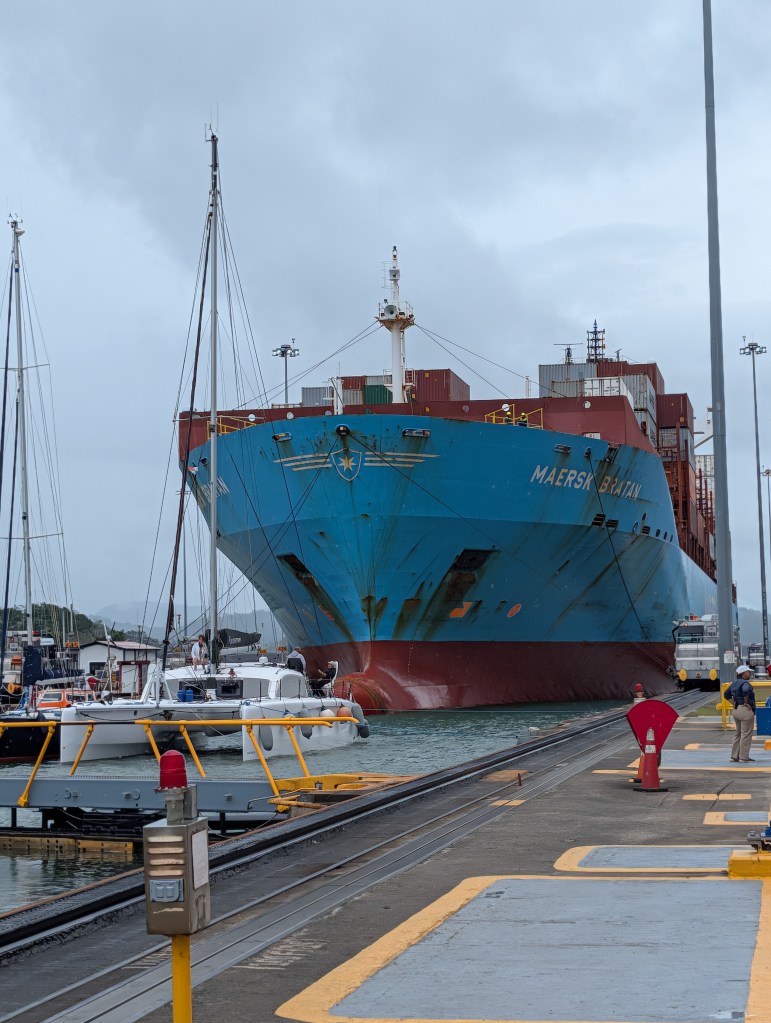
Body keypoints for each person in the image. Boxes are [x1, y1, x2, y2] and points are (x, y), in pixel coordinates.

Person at [727, 664, 756, 763]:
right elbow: (746, 691)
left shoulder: (734, 684)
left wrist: (734, 702)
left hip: (736, 710)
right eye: (748, 672)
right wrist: (746, 702)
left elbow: (726, 694)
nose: (750, 673)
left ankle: (734, 756)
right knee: (746, 734)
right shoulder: (745, 683)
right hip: (745, 710)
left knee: (738, 733)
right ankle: (744, 757)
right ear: (743, 674)